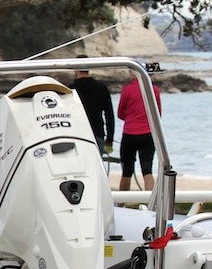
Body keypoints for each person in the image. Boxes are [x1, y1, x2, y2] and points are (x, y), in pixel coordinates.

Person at [117, 60, 162, 192]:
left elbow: (120, 112)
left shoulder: (127, 89)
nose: (129, 73)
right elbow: (157, 114)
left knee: (126, 171)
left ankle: (122, 203)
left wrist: (131, 119)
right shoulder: (154, 90)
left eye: (131, 71)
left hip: (130, 133)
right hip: (148, 134)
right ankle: (151, 204)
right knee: (147, 170)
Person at [69, 55, 115, 154]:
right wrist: (110, 138)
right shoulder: (102, 88)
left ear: (75, 69)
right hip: (97, 133)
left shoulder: (70, 90)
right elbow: (109, 115)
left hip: (77, 134)